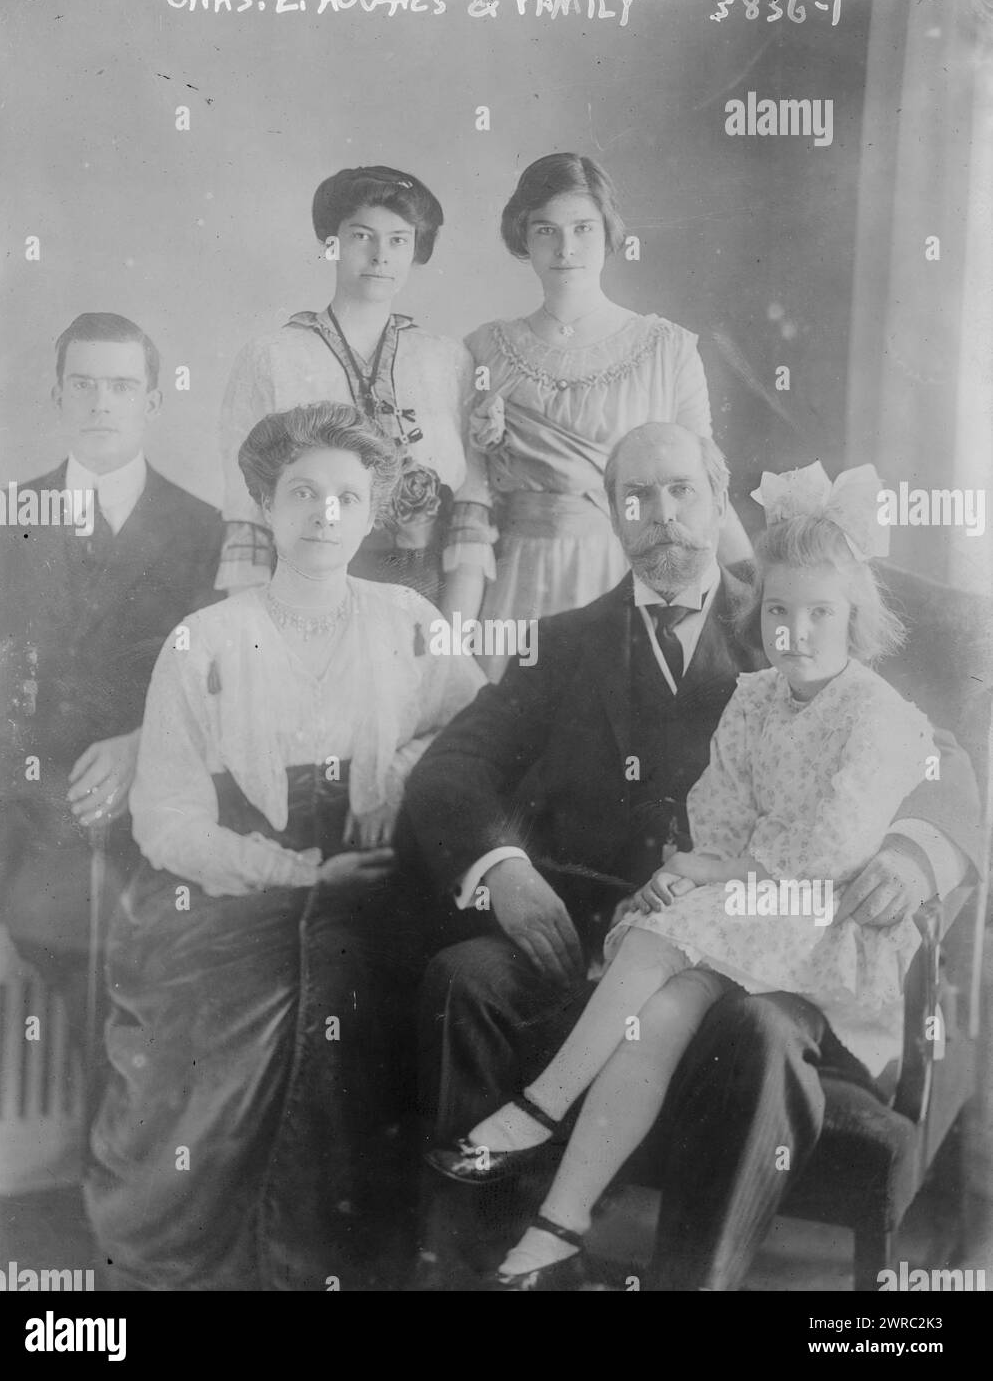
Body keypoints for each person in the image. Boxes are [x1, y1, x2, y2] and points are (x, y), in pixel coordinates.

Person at [403, 422, 982, 1291]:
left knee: (756, 1030)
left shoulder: (788, 611)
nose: (662, 515)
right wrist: (504, 870)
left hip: (775, 951)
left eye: (681, 490)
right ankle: (500, 1269)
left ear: (718, 498)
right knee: (468, 978)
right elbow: (454, 765)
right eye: (636, 497)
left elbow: (937, 757)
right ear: (610, 513)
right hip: (601, 930)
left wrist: (911, 853)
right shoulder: (564, 644)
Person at [86, 401, 483, 1290]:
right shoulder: (207, 640)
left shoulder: (408, 618)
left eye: (347, 495)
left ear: (375, 510)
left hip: (376, 878)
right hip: (232, 881)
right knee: (233, 1030)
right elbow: (168, 822)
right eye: (302, 492)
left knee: (387, 1002)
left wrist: (404, 774)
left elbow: (478, 738)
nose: (324, 515)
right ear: (265, 504)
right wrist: (295, 870)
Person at [0, 311, 222, 1076]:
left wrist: (144, 745)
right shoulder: (0, 516)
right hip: (10, 790)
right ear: (56, 395)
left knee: (126, 981)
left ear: (152, 400)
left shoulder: (203, 529)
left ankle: (103, 1163)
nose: (100, 403)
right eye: (82, 384)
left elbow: (217, 684)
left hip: (138, 791)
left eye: (121, 386)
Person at [451, 153, 752, 678]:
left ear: (609, 234)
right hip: (521, 582)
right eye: (546, 230)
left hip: (630, 579)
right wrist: (449, 645)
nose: (566, 249)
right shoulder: (485, 350)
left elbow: (706, 493)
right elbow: (471, 505)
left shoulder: (666, 349)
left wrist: (756, 590)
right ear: (523, 237)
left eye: (583, 229)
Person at [217, 164, 492, 608]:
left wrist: (452, 640)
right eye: (362, 236)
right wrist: (255, 641)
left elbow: (471, 513)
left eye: (399, 240)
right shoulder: (271, 358)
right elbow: (245, 518)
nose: (380, 255)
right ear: (332, 244)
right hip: (302, 595)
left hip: (420, 598)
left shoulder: (448, 361)